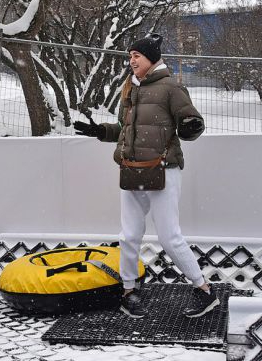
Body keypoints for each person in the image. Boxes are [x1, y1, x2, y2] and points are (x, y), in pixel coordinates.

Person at [74, 33, 218, 319]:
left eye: (136, 56)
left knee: (169, 236)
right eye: (129, 57)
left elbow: (192, 122)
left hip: (164, 169)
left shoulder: (171, 88)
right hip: (131, 170)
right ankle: (129, 291)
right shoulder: (129, 89)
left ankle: (203, 290)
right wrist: (100, 131)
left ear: (151, 58)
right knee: (129, 235)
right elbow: (123, 128)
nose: (132, 61)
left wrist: (191, 127)